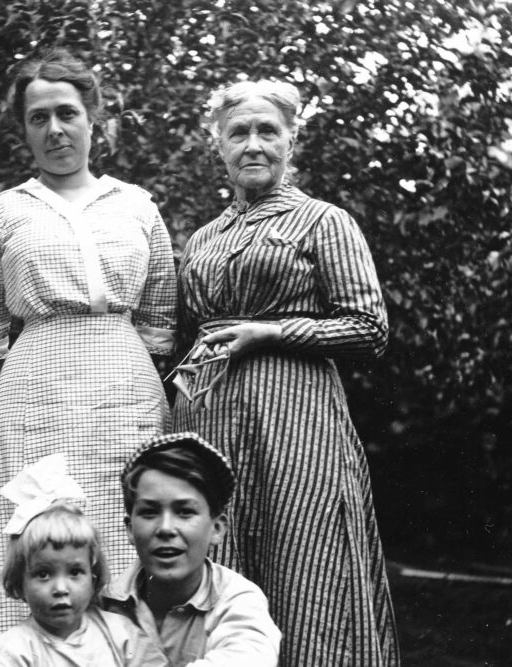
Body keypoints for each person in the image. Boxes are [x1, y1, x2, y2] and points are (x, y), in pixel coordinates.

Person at [169, 80, 400, 665]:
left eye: (267, 131)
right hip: (212, 423)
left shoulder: (324, 222)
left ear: (290, 141)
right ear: (217, 145)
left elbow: (369, 328)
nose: (253, 144)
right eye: (238, 132)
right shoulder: (203, 238)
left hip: (296, 421)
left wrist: (273, 332)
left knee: (305, 563)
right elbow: (192, 330)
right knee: (223, 566)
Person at [0, 47, 177, 643]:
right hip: (35, 396)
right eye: (38, 118)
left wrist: (127, 384)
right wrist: (22, 403)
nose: (54, 130)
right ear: (23, 130)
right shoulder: (3, 215)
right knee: (38, 536)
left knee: (126, 532)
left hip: (125, 393)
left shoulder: (136, 207)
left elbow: (159, 321)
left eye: (67, 113)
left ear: (93, 117)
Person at [101, 431, 281, 666]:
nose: (166, 528)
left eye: (185, 511)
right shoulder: (105, 603)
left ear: (216, 528)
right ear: (130, 529)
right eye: (149, 512)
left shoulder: (237, 600)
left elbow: (250, 656)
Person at [0, 454, 167, 666]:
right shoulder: (15, 650)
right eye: (43, 574)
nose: (61, 588)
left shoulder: (120, 633)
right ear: (19, 582)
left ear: (93, 577)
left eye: (74, 572)